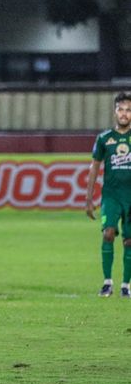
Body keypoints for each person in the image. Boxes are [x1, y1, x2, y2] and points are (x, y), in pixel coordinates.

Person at [86, 91, 131, 297]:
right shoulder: (104, 138)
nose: (124, 114)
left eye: (128, 110)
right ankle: (107, 282)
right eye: (121, 109)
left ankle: (125, 286)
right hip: (111, 196)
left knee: (129, 240)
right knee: (108, 234)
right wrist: (89, 198)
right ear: (115, 112)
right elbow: (94, 168)